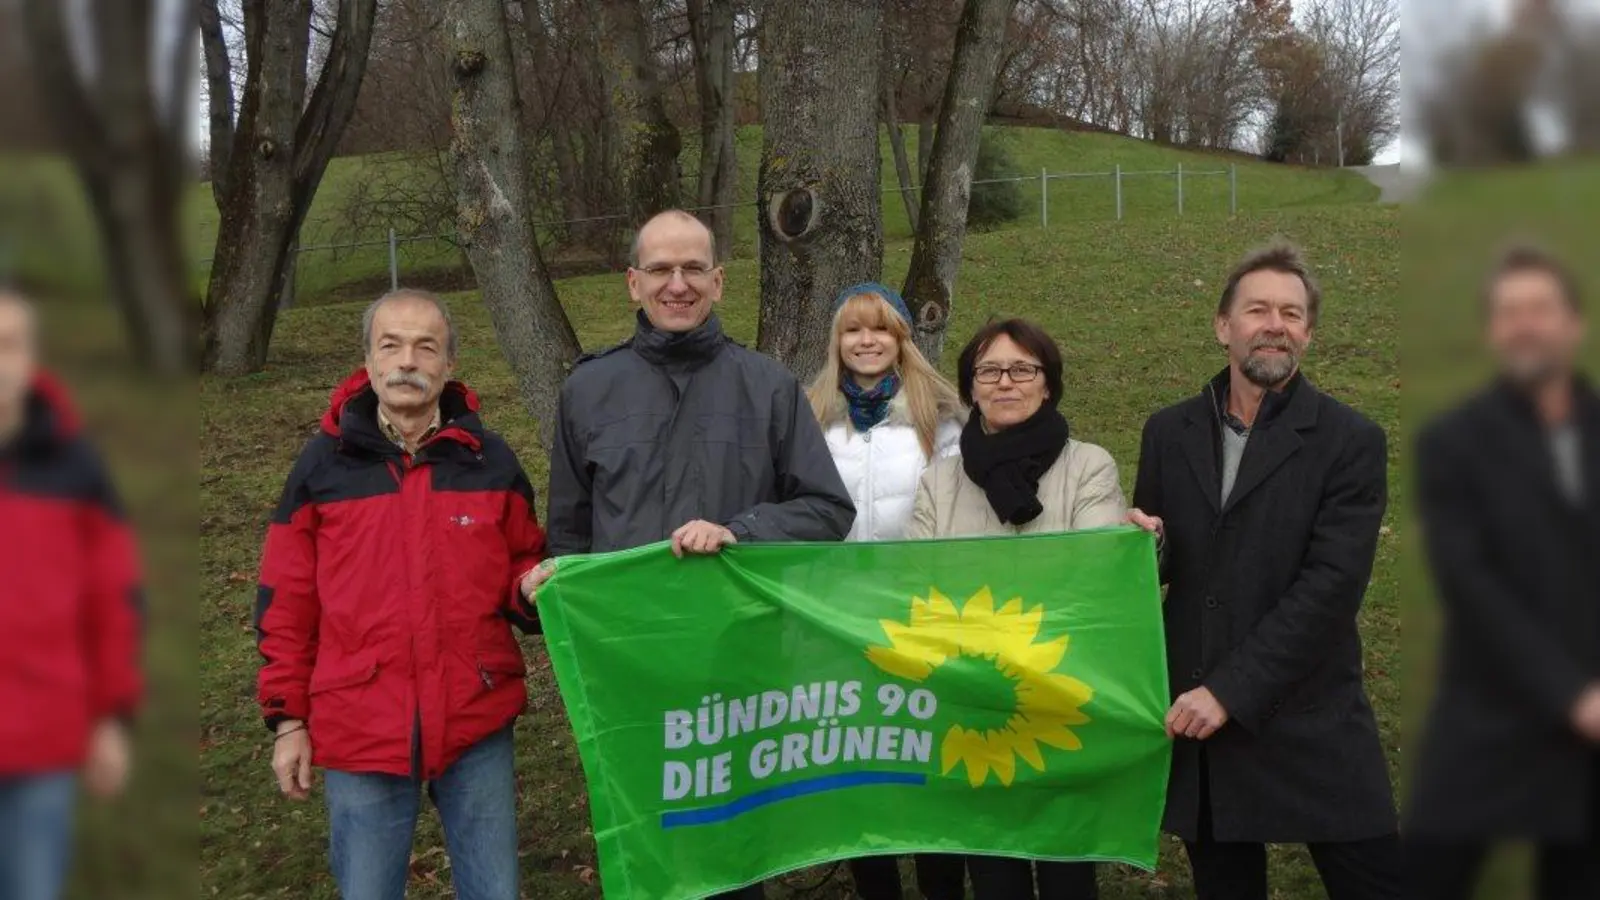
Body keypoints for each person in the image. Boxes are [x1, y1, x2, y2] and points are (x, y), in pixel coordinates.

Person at [530, 209, 856, 899]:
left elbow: (828, 510)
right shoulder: (588, 389)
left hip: (737, 663)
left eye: (692, 270)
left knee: (732, 849)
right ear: (632, 283)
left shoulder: (768, 387)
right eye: (660, 270)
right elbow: (569, 536)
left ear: (718, 282)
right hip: (631, 664)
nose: (676, 285)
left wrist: (742, 528)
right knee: (649, 846)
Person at [1126, 242, 1401, 900]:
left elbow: (1330, 588)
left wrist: (1229, 692)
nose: (1275, 324)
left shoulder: (1350, 440)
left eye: (1291, 312)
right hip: (1202, 718)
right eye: (1258, 309)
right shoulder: (1169, 432)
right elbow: (1165, 562)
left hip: (1309, 708)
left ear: (1307, 332)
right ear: (1224, 326)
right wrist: (1142, 547)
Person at [255, 289, 546, 900]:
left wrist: (533, 588)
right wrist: (288, 721)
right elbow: (287, 601)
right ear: (368, 361)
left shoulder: (490, 462)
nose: (407, 360)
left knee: (495, 890)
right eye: (391, 345)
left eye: (425, 346)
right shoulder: (321, 467)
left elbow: (525, 560)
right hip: (362, 722)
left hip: (475, 715)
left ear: (447, 364)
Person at [1406, 244, 1599, 899]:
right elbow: (1471, 582)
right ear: (1493, 331)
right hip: (1488, 717)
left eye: (1541, 308)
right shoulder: (1453, 443)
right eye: (1510, 311)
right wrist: (1573, 695)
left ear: (1573, 324)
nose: (1526, 324)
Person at [907, 317, 1124, 900]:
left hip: (1060, 701)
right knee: (993, 871)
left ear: (1047, 384)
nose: (1006, 382)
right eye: (989, 371)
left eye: (1022, 369)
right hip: (974, 703)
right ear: (971, 386)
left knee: (1065, 873)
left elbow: (1093, 577)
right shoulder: (938, 483)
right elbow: (920, 589)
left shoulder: (1089, 468)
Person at [805, 282, 966, 900]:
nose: (866, 341)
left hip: (920, 617)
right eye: (852, 330)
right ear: (837, 341)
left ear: (902, 339)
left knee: (926, 760)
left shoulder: (939, 417)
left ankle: (941, 884)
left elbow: (955, 511)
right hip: (840, 621)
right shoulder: (812, 415)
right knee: (861, 762)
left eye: (880, 329)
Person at [0, 289, 142, 900]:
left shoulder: (75, 467)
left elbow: (111, 601)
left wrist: (111, 718)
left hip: (44, 736)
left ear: (32, 358)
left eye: (7, 344)